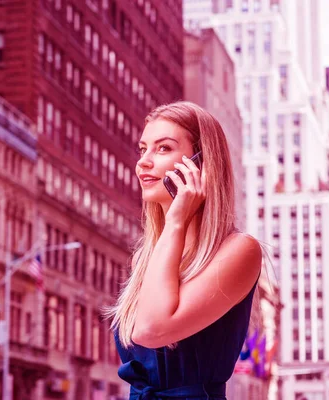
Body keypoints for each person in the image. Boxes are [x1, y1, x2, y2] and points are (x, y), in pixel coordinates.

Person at [107, 101, 263, 400]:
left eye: (163, 148)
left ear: (200, 164)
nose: (143, 162)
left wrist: (177, 220)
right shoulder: (147, 257)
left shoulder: (240, 250)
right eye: (143, 149)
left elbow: (151, 330)